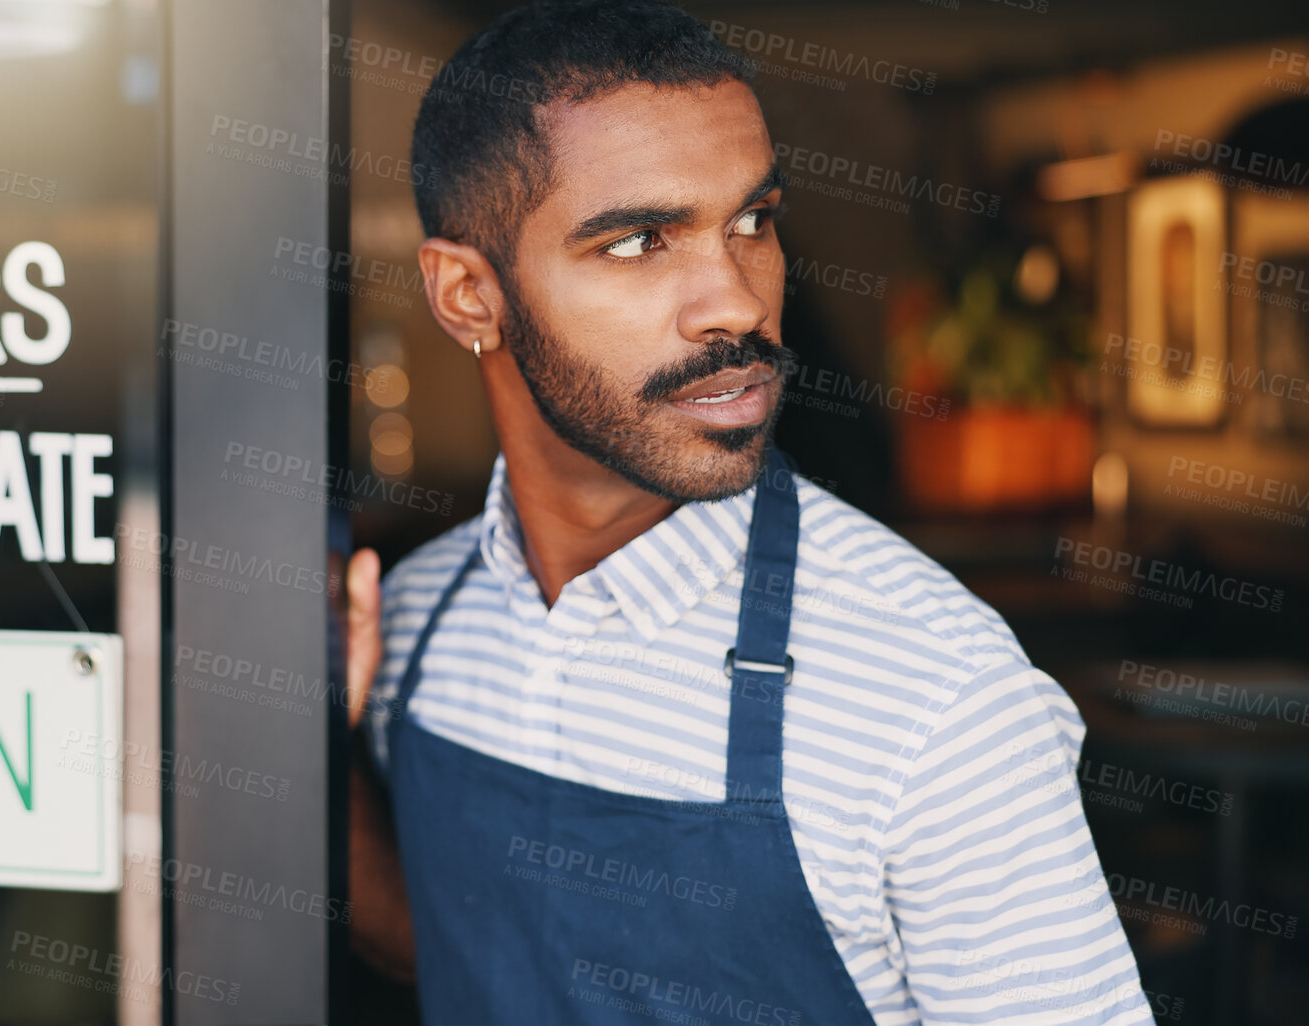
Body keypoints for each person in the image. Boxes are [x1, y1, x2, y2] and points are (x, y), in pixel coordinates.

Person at [342, 2, 1152, 1023]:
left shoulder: (940, 701)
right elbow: (440, 948)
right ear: (468, 296)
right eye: (640, 240)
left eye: (752, 222)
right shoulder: (413, 624)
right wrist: (316, 742)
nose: (734, 299)